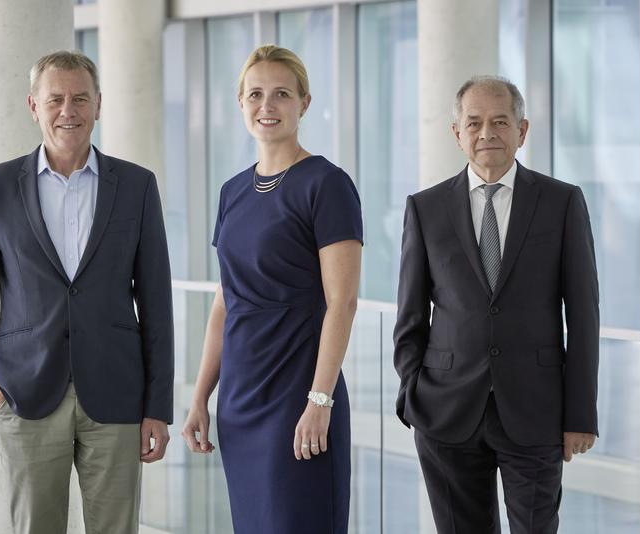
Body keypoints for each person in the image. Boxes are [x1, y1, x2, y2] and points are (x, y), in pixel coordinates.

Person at [0, 50, 173, 534]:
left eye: (79, 99)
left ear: (98, 105)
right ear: (34, 105)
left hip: (116, 395)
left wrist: (157, 406)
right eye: (55, 99)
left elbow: (157, 305)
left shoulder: (136, 186)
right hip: (23, 393)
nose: (67, 110)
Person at [393, 75, 599, 534]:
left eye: (500, 121)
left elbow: (583, 317)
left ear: (522, 131)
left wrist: (581, 414)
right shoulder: (424, 209)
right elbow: (409, 318)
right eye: (474, 122)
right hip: (444, 415)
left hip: (536, 411)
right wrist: (413, 396)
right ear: (457, 134)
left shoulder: (562, 202)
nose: (487, 133)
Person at [181, 45, 362, 534]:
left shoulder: (327, 184)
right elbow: (225, 303)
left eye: (282, 93)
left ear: (304, 103)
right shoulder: (232, 191)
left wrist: (319, 401)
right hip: (241, 400)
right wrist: (200, 395)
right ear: (240, 102)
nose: (268, 105)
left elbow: (342, 304)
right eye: (256, 93)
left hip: (299, 398)